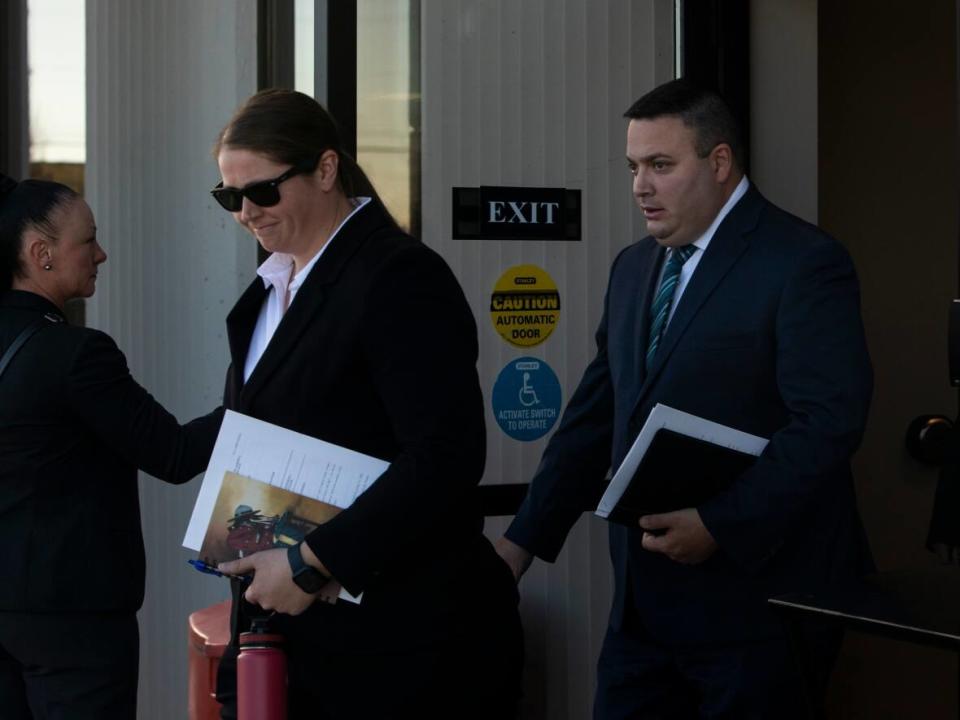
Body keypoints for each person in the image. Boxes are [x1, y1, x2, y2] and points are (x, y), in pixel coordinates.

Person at [496, 78, 874, 719]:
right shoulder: (633, 266)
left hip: (760, 606)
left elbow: (829, 422)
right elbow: (595, 417)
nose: (641, 185)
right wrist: (519, 544)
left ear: (720, 162)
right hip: (643, 610)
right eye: (634, 167)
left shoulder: (804, 262)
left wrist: (720, 524)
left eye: (661, 165)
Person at [209, 89, 522, 719]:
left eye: (262, 191)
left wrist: (308, 562)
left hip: (403, 649)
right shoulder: (272, 285)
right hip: (305, 641)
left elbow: (444, 455)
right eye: (228, 196)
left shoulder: (399, 275)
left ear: (326, 170)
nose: (245, 212)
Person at [0, 175, 222, 719]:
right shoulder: (77, 354)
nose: (101, 253)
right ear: (42, 254)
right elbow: (174, 454)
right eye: (88, 240)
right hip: (75, 619)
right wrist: (256, 398)